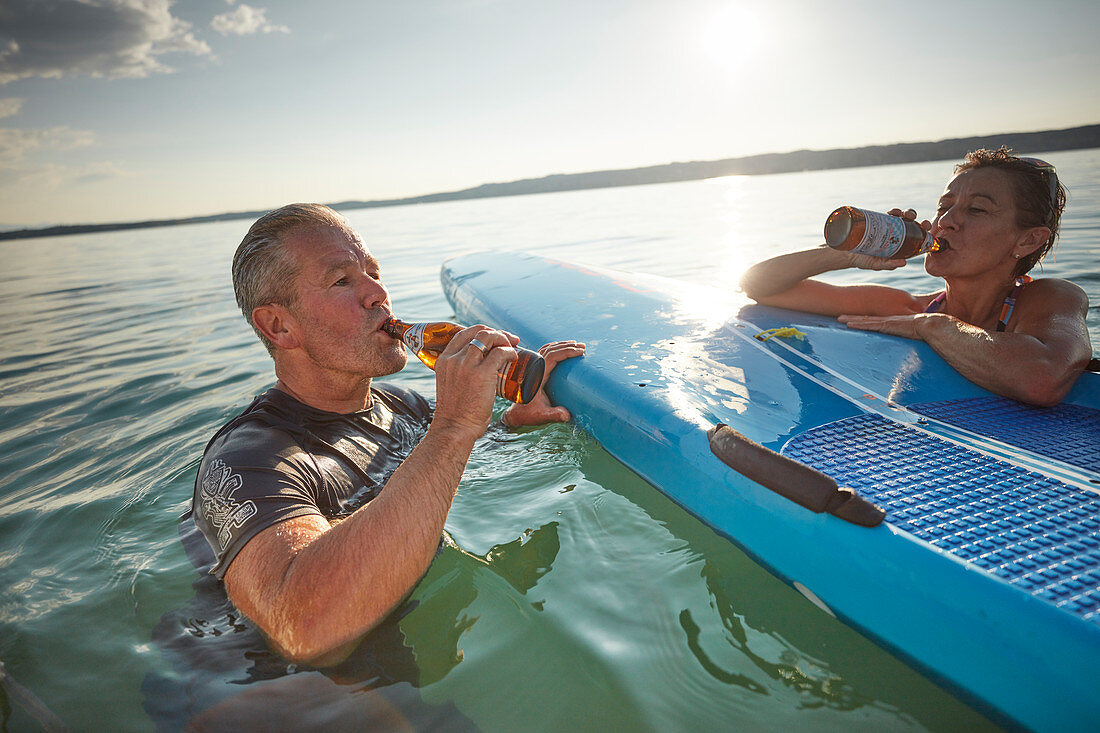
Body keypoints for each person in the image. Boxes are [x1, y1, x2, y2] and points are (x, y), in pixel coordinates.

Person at [190, 203, 585, 667]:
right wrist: (454, 428)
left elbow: (455, 458)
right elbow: (303, 630)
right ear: (279, 325)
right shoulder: (248, 458)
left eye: (373, 272)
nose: (377, 292)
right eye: (342, 281)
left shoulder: (400, 404)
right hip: (295, 699)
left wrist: (509, 423)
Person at [739, 148, 1093, 406]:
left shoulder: (1050, 298)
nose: (947, 221)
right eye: (944, 206)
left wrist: (932, 327)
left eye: (977, 209)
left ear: (1028, 239)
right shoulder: (904, 307)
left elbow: (1042, 378)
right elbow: (756, 285)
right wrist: (841, 253)